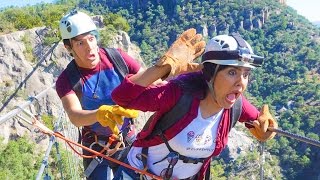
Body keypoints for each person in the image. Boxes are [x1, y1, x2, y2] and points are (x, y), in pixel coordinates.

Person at [111, 28, 278, 180]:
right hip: (137, 174)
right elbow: (122, 98)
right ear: (209, 74)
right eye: (232, 72)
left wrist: (267, 128)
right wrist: (163, 68)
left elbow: (259, 123)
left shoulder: (235, 105)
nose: (241, 83)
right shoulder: (179, 94)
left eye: (246, 74)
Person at [55, 10, 142, 179]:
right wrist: (100, 113)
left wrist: (172, 72)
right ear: (69, 48)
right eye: (80, 43)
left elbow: (146, 79)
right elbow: (75, 116)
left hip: (126, 140)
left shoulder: (116, 58)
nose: (89, 47)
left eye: (91, 38)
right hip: (94, 146)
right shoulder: (67, 79)